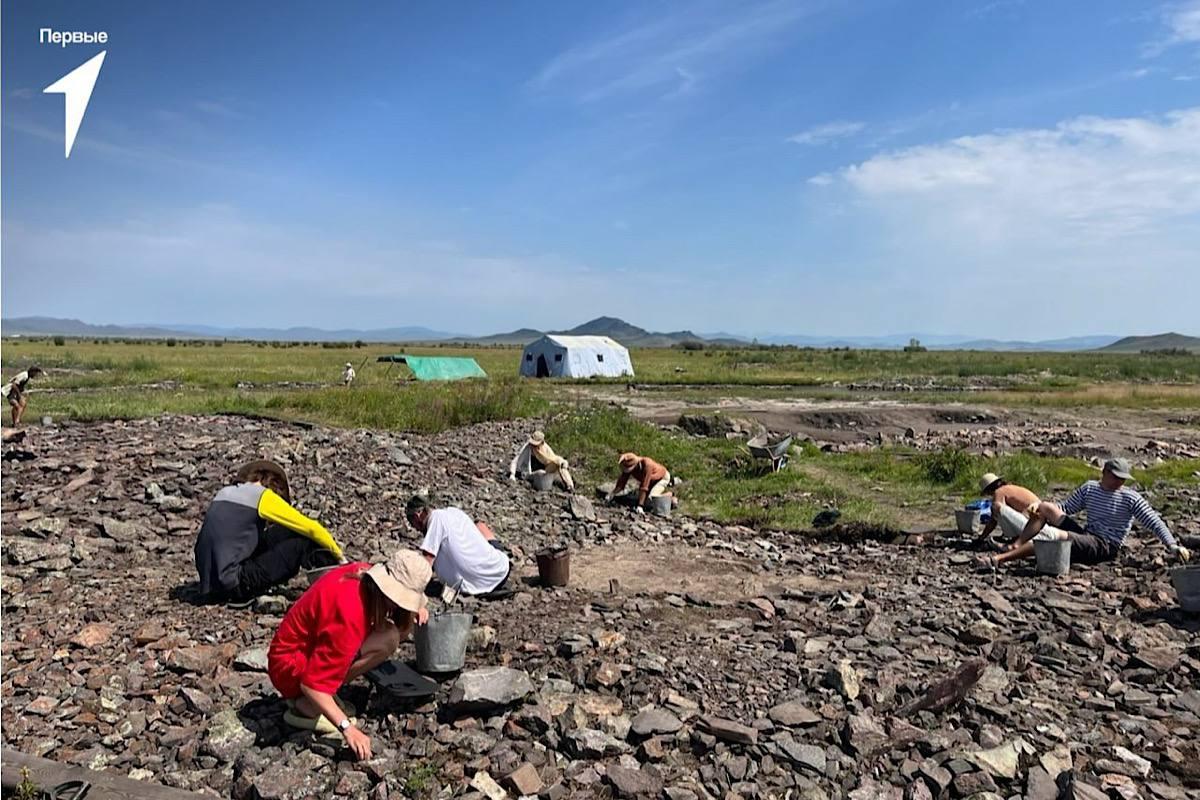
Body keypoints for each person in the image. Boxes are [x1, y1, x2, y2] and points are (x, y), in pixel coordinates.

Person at [268, 551, 431, 760]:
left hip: (302, 651)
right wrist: (347, 728)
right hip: (290, 669)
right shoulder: (351, 614)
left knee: (391, 634)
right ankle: (305, 702)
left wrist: (418, 607)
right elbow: (311, 683)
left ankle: (325, 690)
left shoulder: (364, 574)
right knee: (388, 639)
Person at [980, 458, 1191, 569]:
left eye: (1122, 479)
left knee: (1054, 537)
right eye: (1116, 477)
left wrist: (1171, 544)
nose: (1119, 482)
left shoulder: (1130, 498)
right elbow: (1067, 508)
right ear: (1105, 473)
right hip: (1087, 533)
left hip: (1105, 545)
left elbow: (1153, 521)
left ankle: (1000, 559)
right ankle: (1017, 544)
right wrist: (1039, 510)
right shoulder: (1090, 488)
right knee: (1046, 507)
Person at [194, 460, 345, 603]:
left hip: (210, 583)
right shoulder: (262, 497)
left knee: (284, 530)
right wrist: (340, 558)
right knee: (301, 544)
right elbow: (312, 529)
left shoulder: (225, 493)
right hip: (233, 585)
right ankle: (335, 585)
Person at [405, 495, 510, 601]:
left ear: (417, 515)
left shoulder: (435, 519)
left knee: (479, 526)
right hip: (500, 571)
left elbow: (427, 562)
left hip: (480, 583)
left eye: (411, 521)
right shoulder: (453, 512)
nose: (414, 528)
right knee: (479, 526)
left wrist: (409, 587)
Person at [974, 472, 1041, 548]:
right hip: (1039, 522)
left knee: (996, 507)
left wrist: (981, 538)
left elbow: (993, 520)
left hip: (1031, 526)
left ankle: (1015, 538)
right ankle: (1015, 537)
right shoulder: (1010, 488)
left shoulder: (999, 492)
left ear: (989, 489)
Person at [508, 430, 574, 491]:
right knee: (540, 473)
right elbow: (516, 460)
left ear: (542, 443)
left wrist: (562, 463)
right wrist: (512, 474)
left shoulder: (546, 449)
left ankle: (570, 486)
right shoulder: (528, 447)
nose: (534, 446)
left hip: (545, 470)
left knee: (559, 464)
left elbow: (554, 459)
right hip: (531, 473)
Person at [606, 452, 671, 514]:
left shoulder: (647, 464)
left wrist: (640, 506)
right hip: (651, 480)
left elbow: (644, 485)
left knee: (652, 498)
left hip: (661, 477)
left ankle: (670, 496)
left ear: (636, 464)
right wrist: (612, 494)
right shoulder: (630, 465)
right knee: (638, 498)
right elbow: (622, 482)